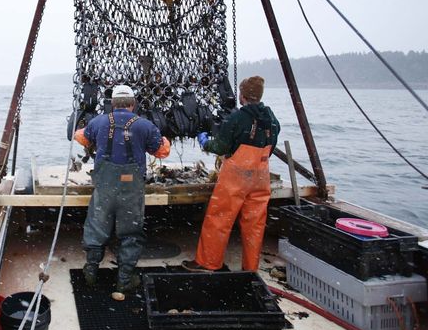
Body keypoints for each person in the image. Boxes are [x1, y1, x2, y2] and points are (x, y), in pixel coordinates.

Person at [74, 84, 171, 293]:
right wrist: (164, 140)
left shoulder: (98, 121)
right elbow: (162, 152)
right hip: (131, 189)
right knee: (130, 233)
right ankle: (124, 279)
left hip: (105, 187)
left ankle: (91, 270)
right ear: (133, 104)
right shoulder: (144, 125)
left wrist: (94, 137)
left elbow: (79, 137)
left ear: (112, 103)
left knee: (96, 227)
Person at [182, 76, 280, 273]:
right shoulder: (271, 118)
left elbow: (221, 146)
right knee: (255, 224)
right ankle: (250, 269)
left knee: (219, 219)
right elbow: (271, 146)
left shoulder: (238, 117)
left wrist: (205, 143)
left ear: (242, 96)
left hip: (236, 177)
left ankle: (208, 263)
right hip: (261, 177)